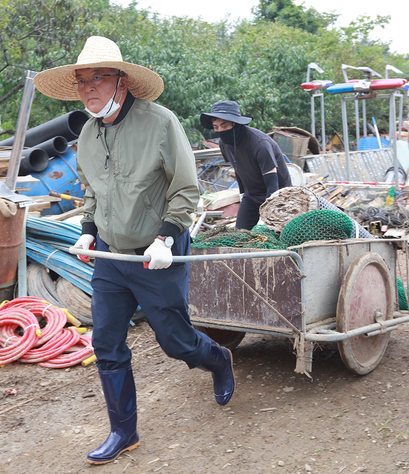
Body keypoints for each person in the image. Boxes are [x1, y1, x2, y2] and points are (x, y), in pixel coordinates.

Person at [33, 36, 235, 465]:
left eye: (98, 78)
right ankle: (123, 432)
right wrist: (88, 231)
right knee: (105, 342)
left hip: (157, 250)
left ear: (121, 83)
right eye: (82, 80)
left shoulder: (160, 123)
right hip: (110, 256)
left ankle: (217, 358)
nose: (89, 88)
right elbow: (91, 189)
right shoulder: (86, 134)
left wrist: (164, 238)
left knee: (175, 342)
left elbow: (185, 188)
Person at [200, 101, 291, 230]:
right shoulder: (223, 144)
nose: (220, 130)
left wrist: (267, 214)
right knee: (241, 234)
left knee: (272, 234)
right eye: (216, 127)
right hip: (252, 196)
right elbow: (238, 170)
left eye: (224, 126)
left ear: (235, 123)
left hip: (279, 195)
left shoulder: (260, 143)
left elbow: (272, 183)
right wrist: (243, 196)